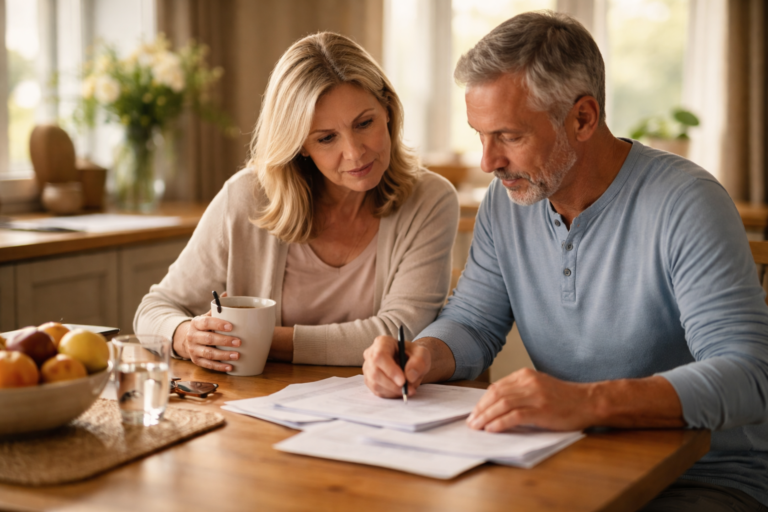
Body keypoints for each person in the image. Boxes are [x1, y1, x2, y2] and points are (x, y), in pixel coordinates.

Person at [362, 11, 768, 511]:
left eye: (509, 136)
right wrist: (424, 355)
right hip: (567, 460)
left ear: (583, 118)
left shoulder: (686, 202)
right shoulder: (507, 202)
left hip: (701, 478)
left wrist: (587, 402)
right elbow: (473, 321)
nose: (489, 162)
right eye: (479, 135)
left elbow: (748, 375)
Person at [135, 32, 458, 371]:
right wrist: (187, 336)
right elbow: (154, 309)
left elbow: (401, 332)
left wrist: (257, 339)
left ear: (388, 110)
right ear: (300, 144)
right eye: (327, 138)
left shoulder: (430, 200)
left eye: (364, 123)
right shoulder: (247, 197)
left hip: (376, 409)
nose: (354, 152)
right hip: (259, 408)